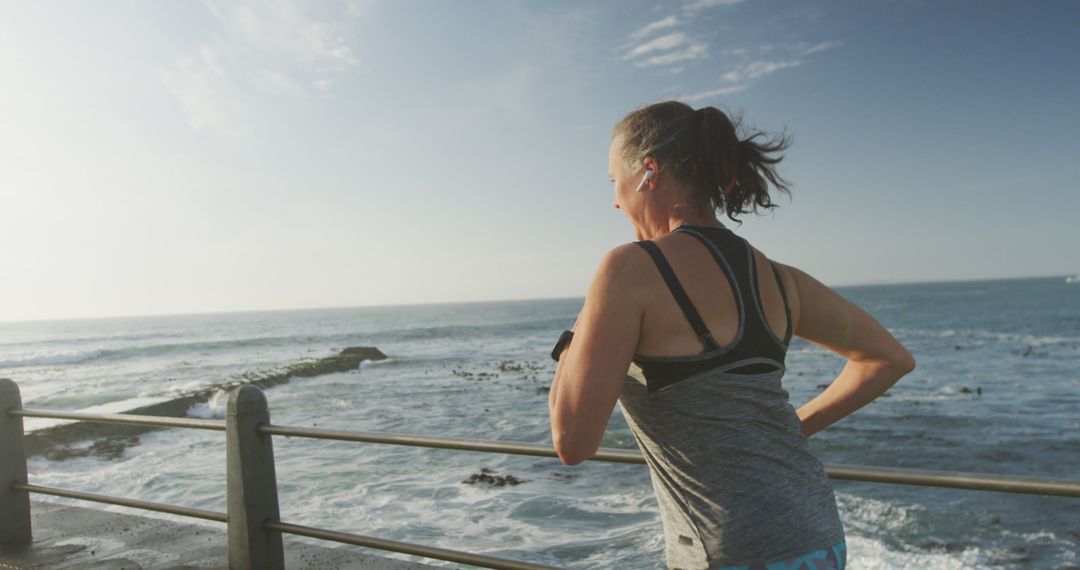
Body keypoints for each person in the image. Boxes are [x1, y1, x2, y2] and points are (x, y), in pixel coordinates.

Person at [547, 100, 916, 569]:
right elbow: (890, 358)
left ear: (648, 172)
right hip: (818, 536)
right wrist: (792, 430)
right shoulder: (782, 279)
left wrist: (574, 336)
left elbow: (572, 442)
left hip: (731, 551)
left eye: (613, 182)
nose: (616, 201)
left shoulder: (629, 269)